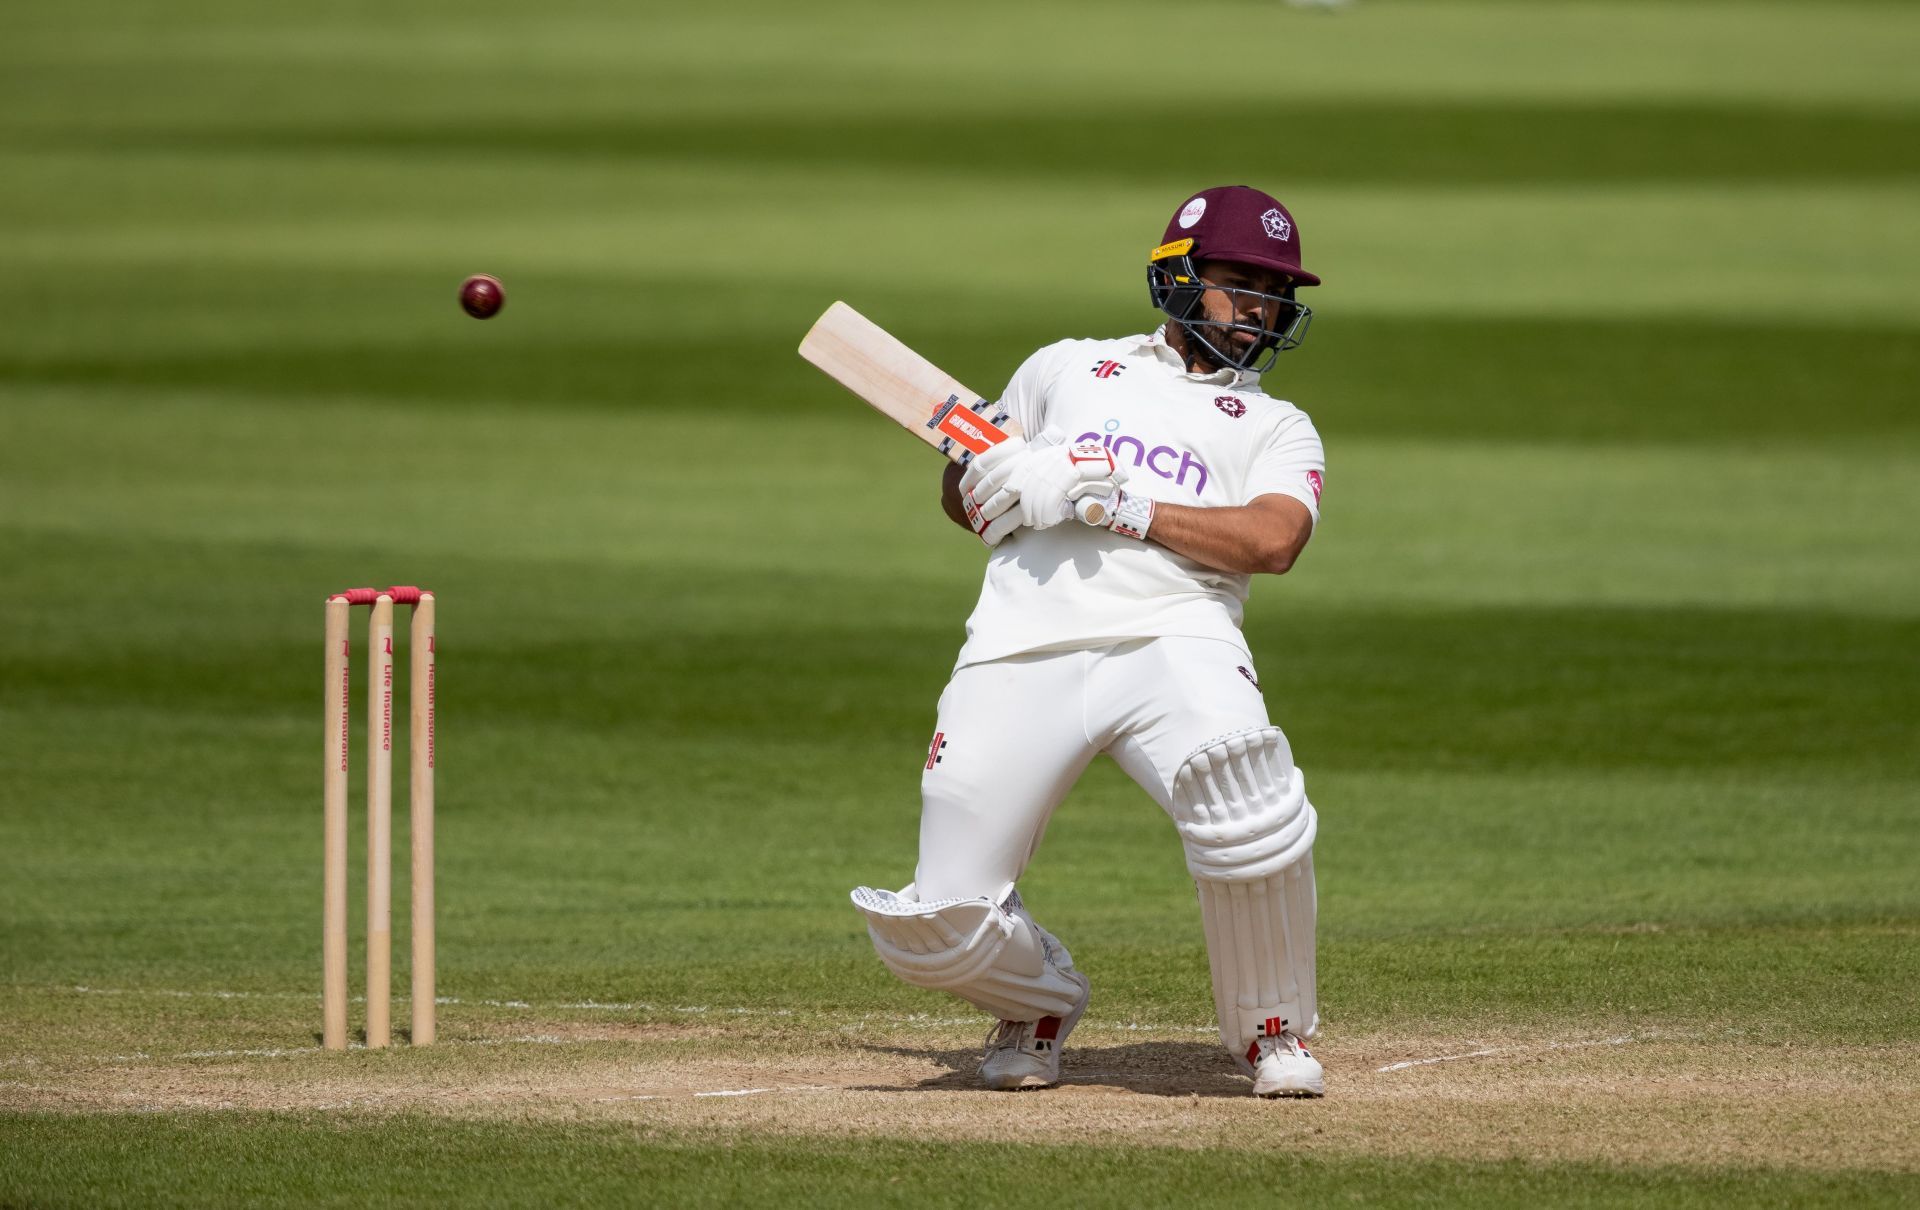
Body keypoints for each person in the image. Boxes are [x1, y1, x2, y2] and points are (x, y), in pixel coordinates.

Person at [850, 185, 1329, 1098]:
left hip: (1174, 640)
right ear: (1179, 278)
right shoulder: (1066, 370)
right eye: (1241, 284)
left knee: (1249, 804)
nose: (1261, 309)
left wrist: (1121, 502)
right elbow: (969, 499)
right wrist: (994, 477)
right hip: (1018, 642)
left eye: (1275, 292)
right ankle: (1038, 1000)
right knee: (934, 924)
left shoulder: (1277, 425)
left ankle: (1273, 1031)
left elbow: (1274, 541)